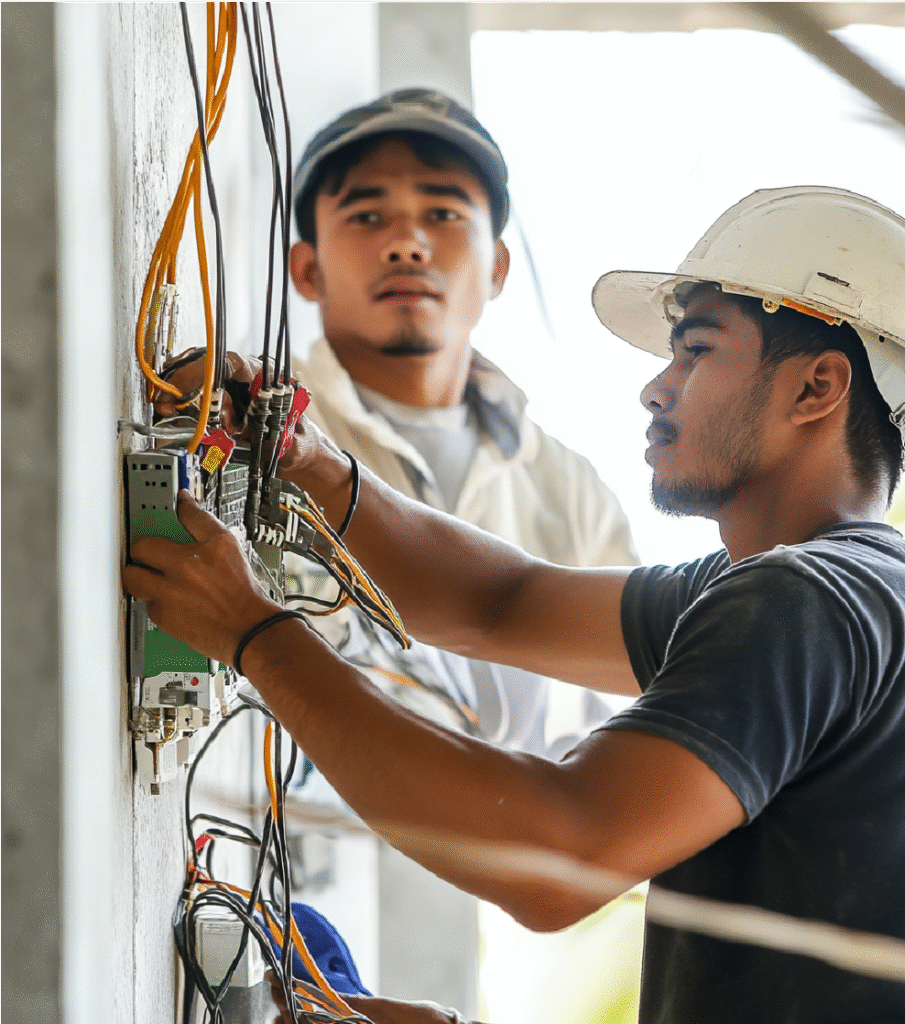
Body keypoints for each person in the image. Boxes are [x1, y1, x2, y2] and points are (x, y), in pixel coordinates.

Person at [129, 186, 905, 1024]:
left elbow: (555, 857)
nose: (656, 387)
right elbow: (499, 603)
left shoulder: (811, 604)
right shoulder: (873, 617)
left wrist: (254, 636)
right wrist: (305, 456)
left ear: (817, 388)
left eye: (697, 350)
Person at [159, 87, 640, 1013]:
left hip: (462, 928)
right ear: (305, 266)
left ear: (497, 265)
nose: (407, 241)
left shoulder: (570, 492)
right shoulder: (255, 418)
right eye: (368, 212)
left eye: (443, 213)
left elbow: (608, 744)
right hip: (248, 910)